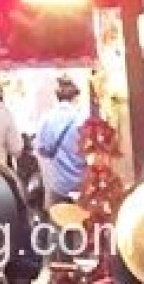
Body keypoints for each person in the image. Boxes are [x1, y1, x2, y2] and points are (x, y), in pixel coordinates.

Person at [35, 76, 87, 207]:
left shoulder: (47, 119)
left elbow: (42, 149)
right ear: (75, 98)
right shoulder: (82, 120)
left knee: (59, 223)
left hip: (59, 185)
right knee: (82, 223)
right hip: (82, 184)